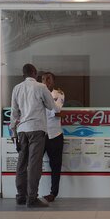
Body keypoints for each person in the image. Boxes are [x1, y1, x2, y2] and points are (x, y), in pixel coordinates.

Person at [10, 63, 58, 208]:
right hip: (37, 129)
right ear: (34, 73)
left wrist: (13, 132)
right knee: (34, 165)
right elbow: (53, 108)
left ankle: (20, 196)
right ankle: (32, 198)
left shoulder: (16, 88)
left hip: (22, 130)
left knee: (22, 164)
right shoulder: (41, 87)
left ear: (23, 74)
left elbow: (14, 113)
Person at [41, 72, 65, 203]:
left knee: (55, 165)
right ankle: (32, 192)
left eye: (48, 79)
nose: (46, 81)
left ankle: (53, 193)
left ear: (53, 81)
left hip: (55, 135)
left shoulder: (59, 93)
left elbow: (56, 111)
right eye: (43, 79)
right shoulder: (37, 92)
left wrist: (47, 109)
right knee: (34, 164)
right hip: (41, 134)